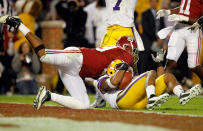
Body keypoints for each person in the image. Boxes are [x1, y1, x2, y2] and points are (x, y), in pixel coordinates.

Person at [0, 15, 137, 109]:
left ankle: (48, 95)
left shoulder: (115, 55)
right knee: (44, 56)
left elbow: (106, 80)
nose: (134, 54)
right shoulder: (124, 55)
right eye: (134, 50)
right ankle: (19, 24)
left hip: (75, 71)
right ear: (127, 47)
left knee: (83, 105)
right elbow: (125, 74)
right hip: (77, 57)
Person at [85, 57, 201, 110]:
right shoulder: (103, 80)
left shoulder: (131, 81)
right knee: (149, 73)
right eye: (123, 69)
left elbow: (157, 81)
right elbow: (114, 82)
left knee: (167, 76)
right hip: (122, 99)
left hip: (137, 103)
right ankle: (152, 99)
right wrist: (124, 66)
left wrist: (159, 63)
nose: (127, 72)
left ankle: (182, 94)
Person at [156, 0, 203, 81]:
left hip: (193, 30)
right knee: (170, 62)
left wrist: (184, 18)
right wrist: (167, 11)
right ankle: (161, 88)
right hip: (179, 28)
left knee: (194, 66)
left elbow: (200, 19)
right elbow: (182, 9)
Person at [138, 0, 165, 74]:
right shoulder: (145, 14)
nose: (153, 3)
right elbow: (146, 29)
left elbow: (163, 27)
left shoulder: (160, 14)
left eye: (155, 2)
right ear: (150, 3)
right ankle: (141, 76)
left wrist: (161, 38)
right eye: (152, 1)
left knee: (158, 61)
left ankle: (157, 77)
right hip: (148, 40)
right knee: (145, 61)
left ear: (157, 3)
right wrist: (156, 39)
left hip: (158, 41)